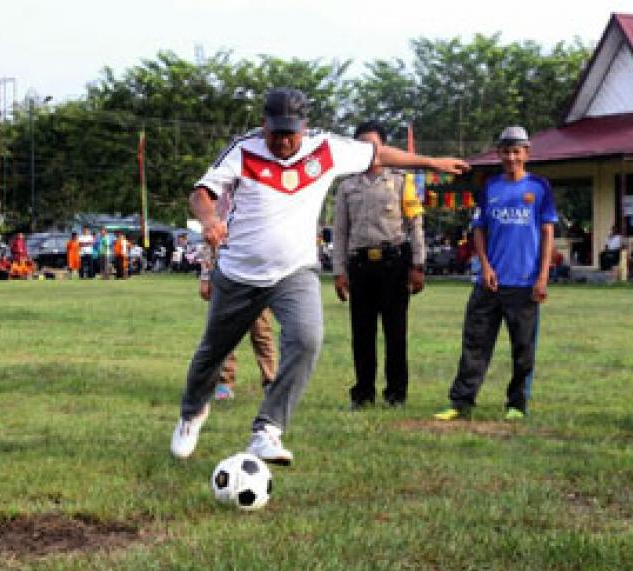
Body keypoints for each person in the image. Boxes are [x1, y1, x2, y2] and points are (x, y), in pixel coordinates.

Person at [170, 87, 468, 463]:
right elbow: (201, 192)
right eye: (275, 132)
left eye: (289, 133)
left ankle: (268, 429)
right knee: (212, 352)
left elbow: (378, 153)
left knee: (308, 339)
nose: (282, 141)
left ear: (304, 127)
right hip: (240, 273)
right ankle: (191, 413)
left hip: (295, 271)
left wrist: (430, 162)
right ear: (263, 125)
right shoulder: (243, 150)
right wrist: (210, 219)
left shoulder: (326, 149)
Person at [434, 126, 556, 422]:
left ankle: (517, 404)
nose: (511, 157)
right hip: (489, 282)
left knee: (523, 347)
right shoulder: (489, 187)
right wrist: (485, 266)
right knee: (475, 343)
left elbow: (547, 232)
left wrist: (542, 277)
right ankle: (461, 402)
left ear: (526, 153)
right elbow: (479, 229)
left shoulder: (539, 187)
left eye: (517, 151)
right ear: (499, 153)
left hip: (524, 283)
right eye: (506, 151)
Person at [333, 120, 426, 410]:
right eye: (361, 144)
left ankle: (396, 394)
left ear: (384, 146)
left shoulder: (401, 180)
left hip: (394, 264)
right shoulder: (347, 185)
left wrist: (418, 264)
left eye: (373, 144)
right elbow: (339, 231)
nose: (368, 150)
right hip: (360, 266)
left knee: (395, 333)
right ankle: (362, 394)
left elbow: (415, 224)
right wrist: (339, 271)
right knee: (362, 334)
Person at [196, 180, 278, 402]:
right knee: (224, 335)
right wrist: (205, 278)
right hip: (226, 280)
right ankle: (224, 383)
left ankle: (271, 381)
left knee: (262, 334)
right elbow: (209, 244)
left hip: (257, 280)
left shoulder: (260, 203)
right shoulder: (218, 205)